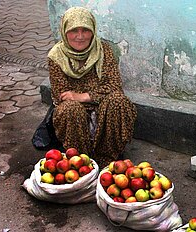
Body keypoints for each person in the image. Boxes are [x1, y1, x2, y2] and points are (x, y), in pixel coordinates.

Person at [47, 6, 137, 168]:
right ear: (65, 31)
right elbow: (62, 95)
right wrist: (82, 99)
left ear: (93, 30)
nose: (80, 37)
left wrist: (82, 96)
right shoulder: (56, 56)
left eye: (85, 30)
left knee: (119, 101)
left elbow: (115, 86)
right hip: (75, 114)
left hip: (103, 110)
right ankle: (81, 162)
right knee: (70, 109)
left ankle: (107, 159)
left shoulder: (103, 50)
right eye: (74, 31)